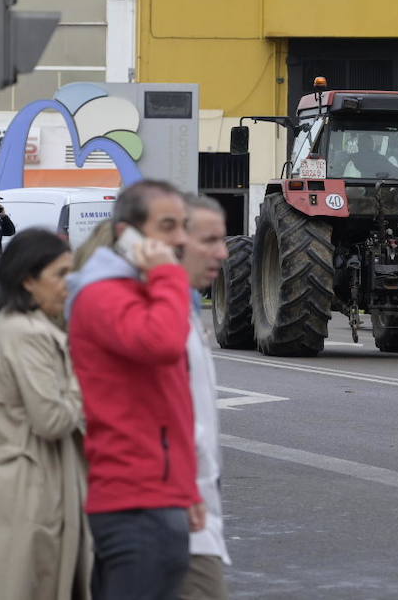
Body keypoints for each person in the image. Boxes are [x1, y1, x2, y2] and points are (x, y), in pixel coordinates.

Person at [65, 180, 204, 600]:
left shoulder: (135, 290)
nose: (180, 239)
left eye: (183, 226)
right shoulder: (103, 293)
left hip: (158, 495)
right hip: (133, 503)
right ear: (129, 234)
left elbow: (168, 403)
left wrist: (186, 488)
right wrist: (168, 275)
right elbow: (161, 345)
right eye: (167, 226)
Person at [0, 229, 93, 600]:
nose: (68, 285)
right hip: (28, 492)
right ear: (28, 279)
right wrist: (83, 377)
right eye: (60, 275)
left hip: (22, 486)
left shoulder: (18, 327)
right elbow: (53, 420)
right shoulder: (26, 334)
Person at [179, 196, 231, 600]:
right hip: (175, 516)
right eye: (210, 239)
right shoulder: (157, 315)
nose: (224, 252)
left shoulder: (180, 309)